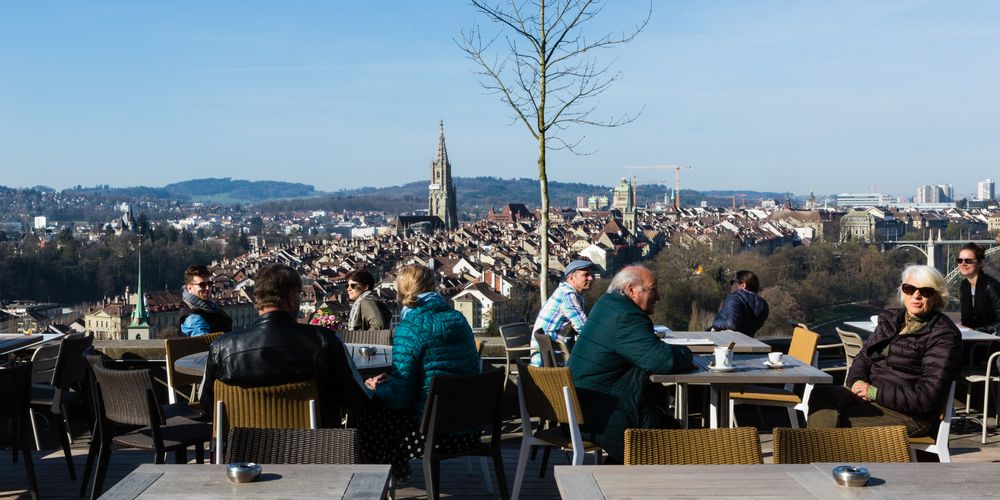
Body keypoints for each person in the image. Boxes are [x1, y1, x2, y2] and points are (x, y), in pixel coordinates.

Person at [201, 264, 368, 427]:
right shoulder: (324, 340)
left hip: (244, 451)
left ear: (258, 300)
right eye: (299, 294)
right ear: (290, 297)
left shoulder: (221, 347)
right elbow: (355, 398)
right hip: (314, 449)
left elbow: (208, 404)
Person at [359, 264, 481, 483]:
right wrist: (394, 379)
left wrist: (379, 387)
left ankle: (383, 480)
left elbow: (399, 400)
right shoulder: (458, 319)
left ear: (400, 290)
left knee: (370, 416)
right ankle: (394, 473)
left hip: (435, 435)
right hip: (470, 429)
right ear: (432, 286)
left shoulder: (410, 328)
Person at [807, 265, 962, 437]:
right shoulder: (892, 320)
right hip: (872, 396)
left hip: (909, 414)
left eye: (925, 291)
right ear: (902, 292)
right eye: (909, 289)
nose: (916, 295)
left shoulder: (943, 335)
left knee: (838, 422)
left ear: (937, 296)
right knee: (822, 396)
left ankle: (818, 458)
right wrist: (857, 381)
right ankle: (823, 456)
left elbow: (927, 397)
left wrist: (875, 393)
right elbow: (864, 357)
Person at [567, 265, 694, 463]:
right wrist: (686, 353)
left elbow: (650, 352)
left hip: (588, 403)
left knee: (668, 426)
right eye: (653, 289)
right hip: (603, 413)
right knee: (677, 440)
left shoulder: (607, 304)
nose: (658, 296)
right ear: (631, 290)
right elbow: (663, 361)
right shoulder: (626, 316)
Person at [529, 259, 596, 365]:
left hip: (549, 355)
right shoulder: (568, 295)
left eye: (592, 275)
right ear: (571, 278)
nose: (591, 278)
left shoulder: (567, 292)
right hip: (552, 360)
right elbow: (584, 328)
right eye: (586, 275)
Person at [710, 270, 769, 336]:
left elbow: (732, 324)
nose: (730, 286)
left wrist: (714, 324)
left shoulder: (735, 298)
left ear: (743, 285)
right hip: (747, 342)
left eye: (732, 282)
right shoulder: (763, 304)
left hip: (726, 342)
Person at [178, 265, 232, 337]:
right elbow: (206, 343)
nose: (207, 288)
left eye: (209, 284)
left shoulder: (210, 308)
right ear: (189, 288)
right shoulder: (192, 318)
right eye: (202, 285)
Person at [957, 242, 1000, 333]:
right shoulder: (964, 286)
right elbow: (967, 321)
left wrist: (975, 331)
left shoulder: (991, 286)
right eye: (960, 260)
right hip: (972, 339)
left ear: (980, 263)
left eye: (968, 261)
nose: (963, 264)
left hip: (991, 342)